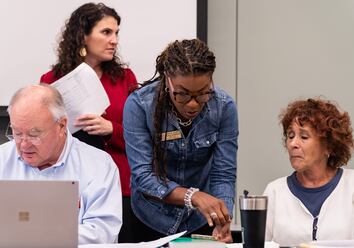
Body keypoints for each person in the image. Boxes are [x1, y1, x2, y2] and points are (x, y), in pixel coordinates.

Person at [123, 39, 238, 243]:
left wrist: (222, 216)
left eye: (203, 93)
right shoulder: (140, 105)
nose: (193, 104)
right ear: (167, 79)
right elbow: (143, 176)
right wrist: (193, 196)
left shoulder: (224, 107)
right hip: (150, 217)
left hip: (199, 220)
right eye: (183, 94)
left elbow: (223, 174)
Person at [39, 3, 137, 242]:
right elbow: (41, 134)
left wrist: (111, 129)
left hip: (121, 185)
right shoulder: (50, 80)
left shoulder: (125, 79)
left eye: (116, 33)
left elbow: (143, 138)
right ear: (83, 35)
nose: (114, 40)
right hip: (69, 185)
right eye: (106, 32)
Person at [0, 84, 122, 244]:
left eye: (34, 134)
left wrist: (34, 236)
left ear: (61, 125)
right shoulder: (3, 158)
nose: (23, 145)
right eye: (17, 133)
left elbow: (102, 233)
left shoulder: (99, 166)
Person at [264, 97, 354, 246]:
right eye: (290, 136)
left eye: (303, 136)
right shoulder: (274, 192)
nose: (293, 144)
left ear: (328, 146)